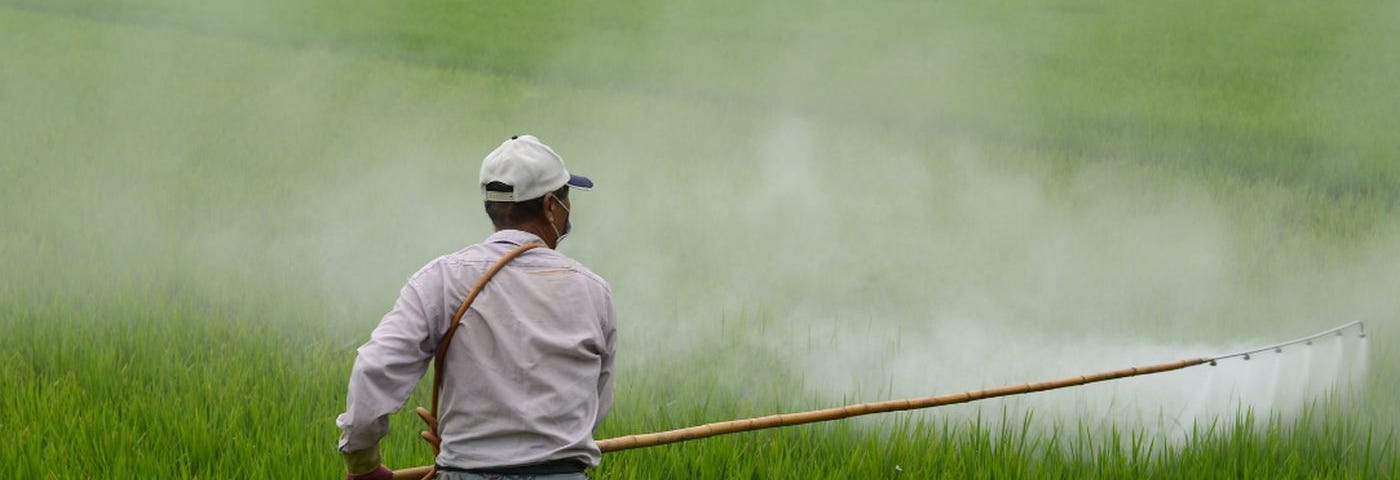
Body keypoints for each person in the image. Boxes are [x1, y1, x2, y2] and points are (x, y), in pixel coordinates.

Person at [336, 135, 617, 480]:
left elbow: (375, 369)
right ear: (549, 206)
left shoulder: (440, 278)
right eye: (565, 197)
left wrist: (363, 466)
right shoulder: (592, 290)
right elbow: (595, 405)